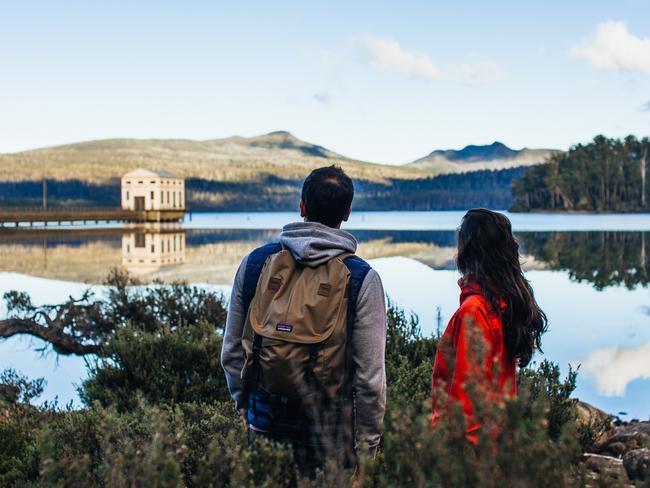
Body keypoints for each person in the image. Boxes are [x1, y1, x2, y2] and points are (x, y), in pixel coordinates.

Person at [221, 165, 386, 473]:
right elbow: (370, 380)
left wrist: (247, 408)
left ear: (302, 206)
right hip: (330, 434)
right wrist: (369, 448)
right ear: (347, 212)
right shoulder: (362, 278)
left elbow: (231, 351)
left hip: (265, 422)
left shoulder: (255, 264)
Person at [431, 209, 547, 442]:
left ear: (469, 251)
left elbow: (467, 401)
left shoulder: (475, 310)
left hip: (471, 455)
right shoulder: (505, 303)